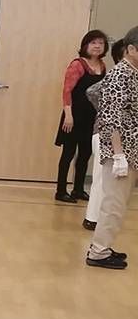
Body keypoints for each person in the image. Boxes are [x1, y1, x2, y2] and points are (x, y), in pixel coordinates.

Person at [85, 25, 138, 270]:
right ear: (131, 49)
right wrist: (118, 156)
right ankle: (99, 252)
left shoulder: (133, 73)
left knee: (118, 202)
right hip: (121, 151)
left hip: (130, 150)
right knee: (114, 203)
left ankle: (102, 245)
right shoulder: (121, 74)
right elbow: (111, 117)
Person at [55, 29, 109, 203]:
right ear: (86, 45)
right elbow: (67, 91)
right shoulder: (77, 64)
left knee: (85, 153)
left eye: (100, 43)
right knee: (68, 153)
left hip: (91, 118)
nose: (97, 46)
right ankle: (61, 191)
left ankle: (78, 189)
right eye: (93, 42)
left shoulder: (102, 65)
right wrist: (68, 116)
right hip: (73, 115)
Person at [84, 38, 127, 230]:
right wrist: (104, 111)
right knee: (102, 179)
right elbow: (91, 91)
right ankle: (93, 219)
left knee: (109, 182)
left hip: (119, 135)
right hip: (105, 133)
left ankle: (99, 220)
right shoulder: (116, 77)